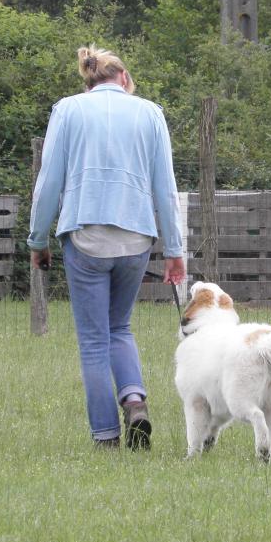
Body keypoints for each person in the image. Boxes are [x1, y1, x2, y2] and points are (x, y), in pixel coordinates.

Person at [27, 45, 186, 450]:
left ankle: (106, 436)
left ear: (89, 79)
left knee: (95, 340)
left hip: (85, 237)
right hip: (136, 238)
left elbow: (49, 182)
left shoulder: (68, 110)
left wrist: (38, 239)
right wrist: (174, 250)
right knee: (120, 327)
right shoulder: (150, 113)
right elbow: (165, 189)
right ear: (124, 78)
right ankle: (134, 400)